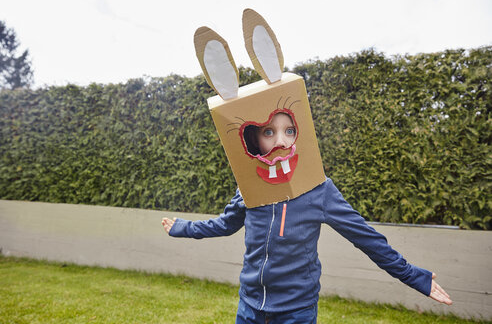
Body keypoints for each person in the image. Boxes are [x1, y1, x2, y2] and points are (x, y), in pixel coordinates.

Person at [162, 112, 452, 324]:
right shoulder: (248, 188)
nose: (281, 141)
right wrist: (183, 227)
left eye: (289, 131)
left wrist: (414, 276)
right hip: (249, 307)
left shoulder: (319, 189)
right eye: (268, 132)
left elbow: (367, 239)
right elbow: (225, 224)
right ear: (254, 139)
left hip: (295, 312)